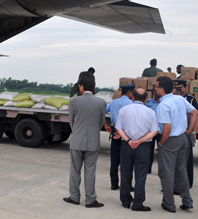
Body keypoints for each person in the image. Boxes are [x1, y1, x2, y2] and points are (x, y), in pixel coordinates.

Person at [155, 76, 198, 213]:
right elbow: (195, 112)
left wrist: (161, 143)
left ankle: (169, 203)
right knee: (181, 170)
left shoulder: (163, 105)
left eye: (156, 87)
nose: (154, 89)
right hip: (182, 139)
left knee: (166, 172)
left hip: (170, 140)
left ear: (161, 89)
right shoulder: (180, 99)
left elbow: (167, 128)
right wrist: (189, 131)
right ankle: (187, 200)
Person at [63, 77, 107, 208]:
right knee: (90, 171)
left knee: (75, 170)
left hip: (77, 140)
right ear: (93, 88)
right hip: (93, 141)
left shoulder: (74, 101)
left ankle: (74, 197)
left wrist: (77, 132)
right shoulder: (101, 102)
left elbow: (71, 121)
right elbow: (101, 123)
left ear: (81, 87)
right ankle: (90, 199)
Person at [115, 88, 159, 211]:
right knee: (140, 175)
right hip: (143, 146)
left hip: (126, 145)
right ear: (146, 99)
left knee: (125, 173)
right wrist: (139, 141)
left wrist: (129, 141)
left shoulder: (124, 110)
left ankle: (125, 200)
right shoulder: (150, 112)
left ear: (132, 97)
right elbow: (154, 131)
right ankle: (138, 203)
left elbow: (119, 128)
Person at [104, 83, 134, 190]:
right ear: (130, 93)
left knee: (114, 160)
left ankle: (114, 184)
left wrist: (106, 125)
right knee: (127, 161)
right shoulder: (131, 103)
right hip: (126, 133)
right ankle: (127, 185)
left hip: (114, 130)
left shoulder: (114, 102)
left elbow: (102, 111)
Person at [172, 80, 198, 189]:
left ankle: (187, 183)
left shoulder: (191, 100)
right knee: (174, 161)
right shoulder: (172, 99)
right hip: (175, 133)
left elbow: (196, 116)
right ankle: (173, 184)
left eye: (181, 87)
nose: (179, 90)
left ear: (185, 88)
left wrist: (193, 132)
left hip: (186, 133)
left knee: (186, 161)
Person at [145, 89, 161, 173]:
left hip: (161, 131)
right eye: (154, 91)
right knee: (149, 151)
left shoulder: (164, 103)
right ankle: (148, 169)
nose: (155, 92)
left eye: (157, 91)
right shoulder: (149, 102)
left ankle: (161, 170)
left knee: (162, 152)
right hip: (150, 130)